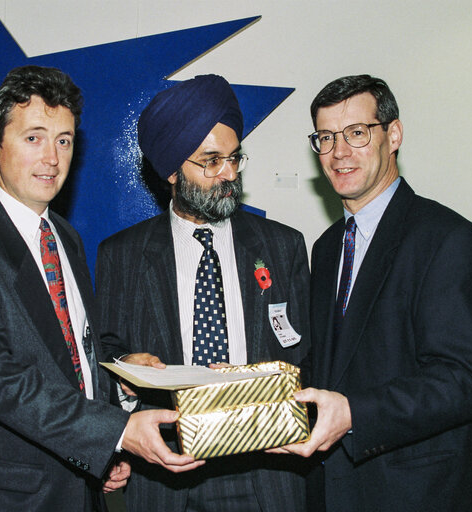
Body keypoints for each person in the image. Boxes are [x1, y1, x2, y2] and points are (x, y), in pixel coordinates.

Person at [0, 65, 202, 512]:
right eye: (33, 138)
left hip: (78, 486)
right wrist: (117, 432)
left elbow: (67, 359)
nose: (52, 158)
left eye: (64, 140)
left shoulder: (64, 238)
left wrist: (121, 382)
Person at [270, 75, 472, 511]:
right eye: (325, 137)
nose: (339, 152)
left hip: (414, 493)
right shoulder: (327, 245)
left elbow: (462, 381)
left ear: (393, 135)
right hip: (332, 489)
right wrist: (251, 385)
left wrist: (354, 412)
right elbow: (329, 365)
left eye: (356, 133)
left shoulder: (449, 239)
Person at [96, 74, 311, 512]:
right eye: (210, 161)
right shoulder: (122, 255)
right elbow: (105, 355)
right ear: (172, 171)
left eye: (234, 158)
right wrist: (125, 380)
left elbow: (305, 353)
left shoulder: (283, 246)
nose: (228, 174)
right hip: (167, 476)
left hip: (268, 476)